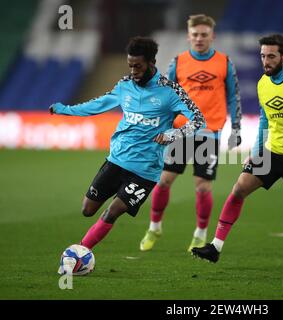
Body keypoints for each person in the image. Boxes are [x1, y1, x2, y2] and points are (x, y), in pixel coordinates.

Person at [52, 36, 205, 274]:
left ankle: (79, 254)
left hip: (145, 171)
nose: (133, 71)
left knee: (113, 211)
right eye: (130, 65)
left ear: (152, 62)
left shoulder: (170, 91)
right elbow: (98, 104)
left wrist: (174, 134)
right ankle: (80, 253)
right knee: (87, 209)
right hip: (116, 160)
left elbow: (198, 119)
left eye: (138, 66)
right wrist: (66, 110)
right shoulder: (124, 86)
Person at [192, 34, 283, 268]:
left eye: (271, 56)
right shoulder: (263, 83)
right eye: (263, 56)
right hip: (272, 152)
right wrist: (256, 152)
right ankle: (215, 247)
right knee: (239, 189)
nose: (266, 61)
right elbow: (265, 119)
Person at [139, 14, 242, 253]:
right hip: (180, 130)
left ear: (212, 36)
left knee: (203, 187)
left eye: (204, 35)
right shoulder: (178, 62)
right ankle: (154, 227)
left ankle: (200, 233)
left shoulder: (224, 62)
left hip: (209, 132)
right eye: (195, 35)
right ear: (189, 36)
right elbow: (165, 95)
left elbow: (233, 96)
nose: (199, 38)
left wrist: (236, 127)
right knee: (163, 181)